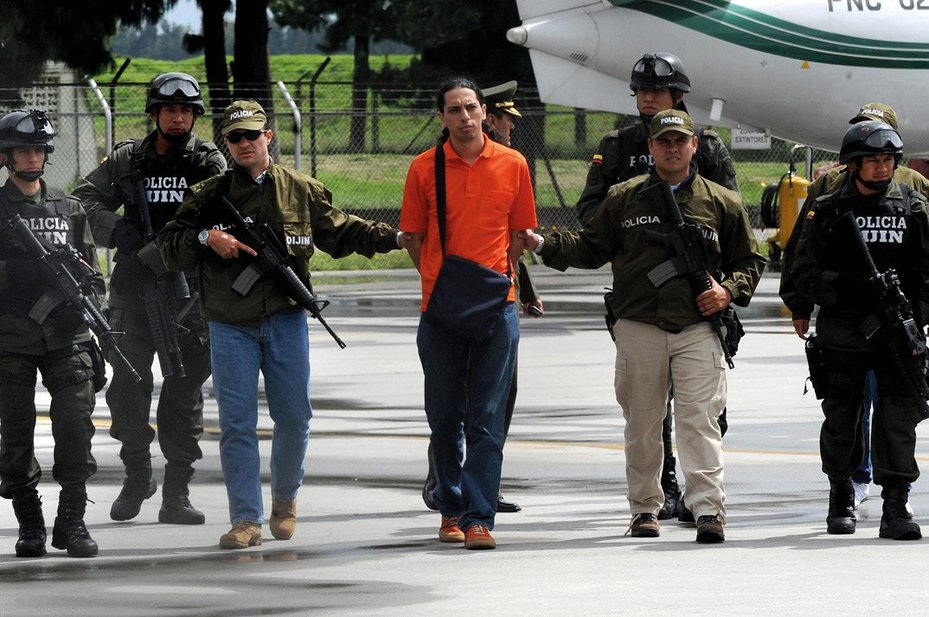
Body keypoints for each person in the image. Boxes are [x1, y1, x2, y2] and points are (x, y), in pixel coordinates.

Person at [157, 100, 406, 550]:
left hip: (286, 317)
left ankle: (285, 499)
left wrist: (397, 235)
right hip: (230, 323)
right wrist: (206, 237)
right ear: (225, 144)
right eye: (234, 138)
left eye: (252, 135)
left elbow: (342, 231)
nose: (244, 144)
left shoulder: (301, 189)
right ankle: (245, 520)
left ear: (268, 136)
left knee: (294, 417)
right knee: (237, 423)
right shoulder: (208, 195)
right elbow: (169, 245)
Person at [519, 109, 764, 543]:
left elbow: (749, 260)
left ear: (693, 147)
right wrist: (542, 243)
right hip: (639, 324)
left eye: (680, 142)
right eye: (663, 142)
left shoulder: (721, 201)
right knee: (642, 425)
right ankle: (645, 509)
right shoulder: (624, 197)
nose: (672, 149)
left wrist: (727, 292)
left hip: (697, 327)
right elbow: (592, 247)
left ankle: (707, 509)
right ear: (650, 148)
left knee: (699, 422)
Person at [576, 52, 740, 521]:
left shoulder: (704, 145)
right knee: (646, 407)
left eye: (658, 91)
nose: (647, 97)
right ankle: (660, 490)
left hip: (698, 291)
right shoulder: (617, 143)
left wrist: (723, 284)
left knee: (702, 408)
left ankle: (700, 497)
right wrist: (633, 219)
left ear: (679, 96)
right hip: (641, 288)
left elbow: (728, 214)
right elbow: (591, 214)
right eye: (641, 91)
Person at [72, 72, 226, 526]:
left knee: (183, 390)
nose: (178, 117)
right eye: (169, 110)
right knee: (126, 386)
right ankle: (138, 473)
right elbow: (83, 200)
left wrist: (175, 248)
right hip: (133, 292)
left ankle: (177, 490)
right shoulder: (128, 160)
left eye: (186, 111)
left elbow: (227, 216)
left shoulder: (207, 162)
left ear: (195, 116)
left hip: (188, 294)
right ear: (155, 114)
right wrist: (119, 230)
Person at [401, 77, 538, 550]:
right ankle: (451, 507)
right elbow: (413, 238)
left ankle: (480, 516)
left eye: (470, 108)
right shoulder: (423, 168)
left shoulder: (513, 164)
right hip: (440, 310)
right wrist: (441, 285)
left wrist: (498, 282)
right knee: (443, 416)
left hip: (496, 308)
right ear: (442, 118)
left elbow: (519, 234)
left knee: (487, 417)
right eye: (454, 110)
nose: (464, 117)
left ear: (484, 112)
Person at [779, 103, 929, 510]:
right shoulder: (828, 210)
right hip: (844, 331)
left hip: (897, 333)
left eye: (887, 160)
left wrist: (915, 318)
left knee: (898, 418)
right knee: (842, 417)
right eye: (872, 161)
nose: (881, 168)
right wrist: (840, 290)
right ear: (852, 165)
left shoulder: (912, 207)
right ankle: (841, 494)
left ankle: (895, 503)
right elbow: (802, 268)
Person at [0, 109, 101, 558]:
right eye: (23, 150)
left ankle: (72, 522)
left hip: (67, 336)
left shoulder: (70, 209)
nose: (31, 158)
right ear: (7, 157)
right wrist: (12, 275)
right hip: (11, 337)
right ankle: (31, 525)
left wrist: (78, 309)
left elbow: (95, 277)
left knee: (77, 425)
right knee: (17, 431)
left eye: (38, 150)